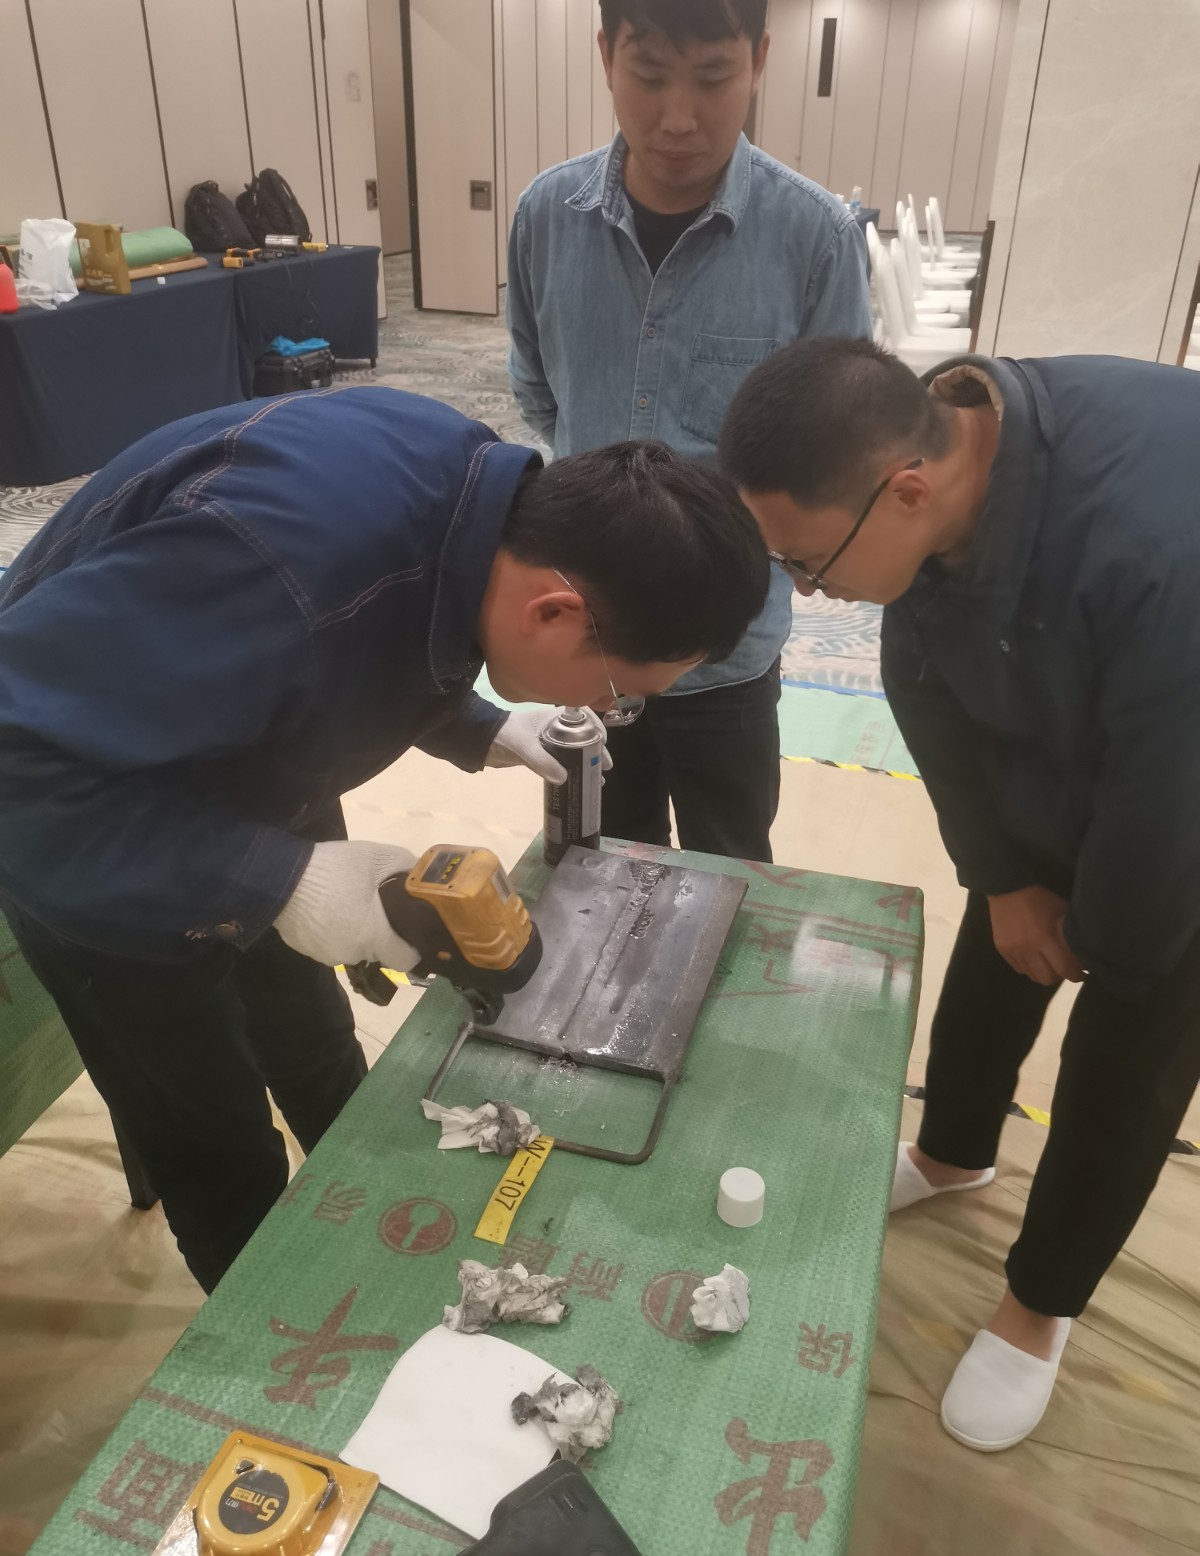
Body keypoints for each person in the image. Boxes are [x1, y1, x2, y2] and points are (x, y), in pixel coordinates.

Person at [0, 385, 768, 1292]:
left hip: (243, 760)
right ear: (554, 613)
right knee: (216, 1142)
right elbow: (23, 767)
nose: (606, 707)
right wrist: (282, 881)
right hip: (87, 826)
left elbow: (379, 626)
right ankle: (285, 1337)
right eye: (618, 688)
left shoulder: (474, 497)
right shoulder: (271, 564)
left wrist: (474, 721)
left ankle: (370, 1246)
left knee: (314, 1039)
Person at [719, 335, 1200, 1451]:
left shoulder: (1154, 545)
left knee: (1132, 1044)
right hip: (1080, 725)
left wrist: (1112, 949)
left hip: (1184, 783)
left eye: (808, 562)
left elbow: (1168, 794)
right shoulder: (946, 453)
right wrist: (1007, 877)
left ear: (907, 491)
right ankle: (955, 1152)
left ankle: (1041, 1301)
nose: (805, 590)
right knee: (1000, 951)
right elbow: (924, 686)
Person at [505, 0, 871, 862]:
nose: (677, 117)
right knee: (602, 855)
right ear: (606, 54)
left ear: (759, 60)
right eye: (649, 74)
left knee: (732, 859)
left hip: (727, 649)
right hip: (593, 638)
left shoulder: (813, 237)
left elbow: (834, 441)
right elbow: (540, 393)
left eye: (711, 78)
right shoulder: (546, 216)